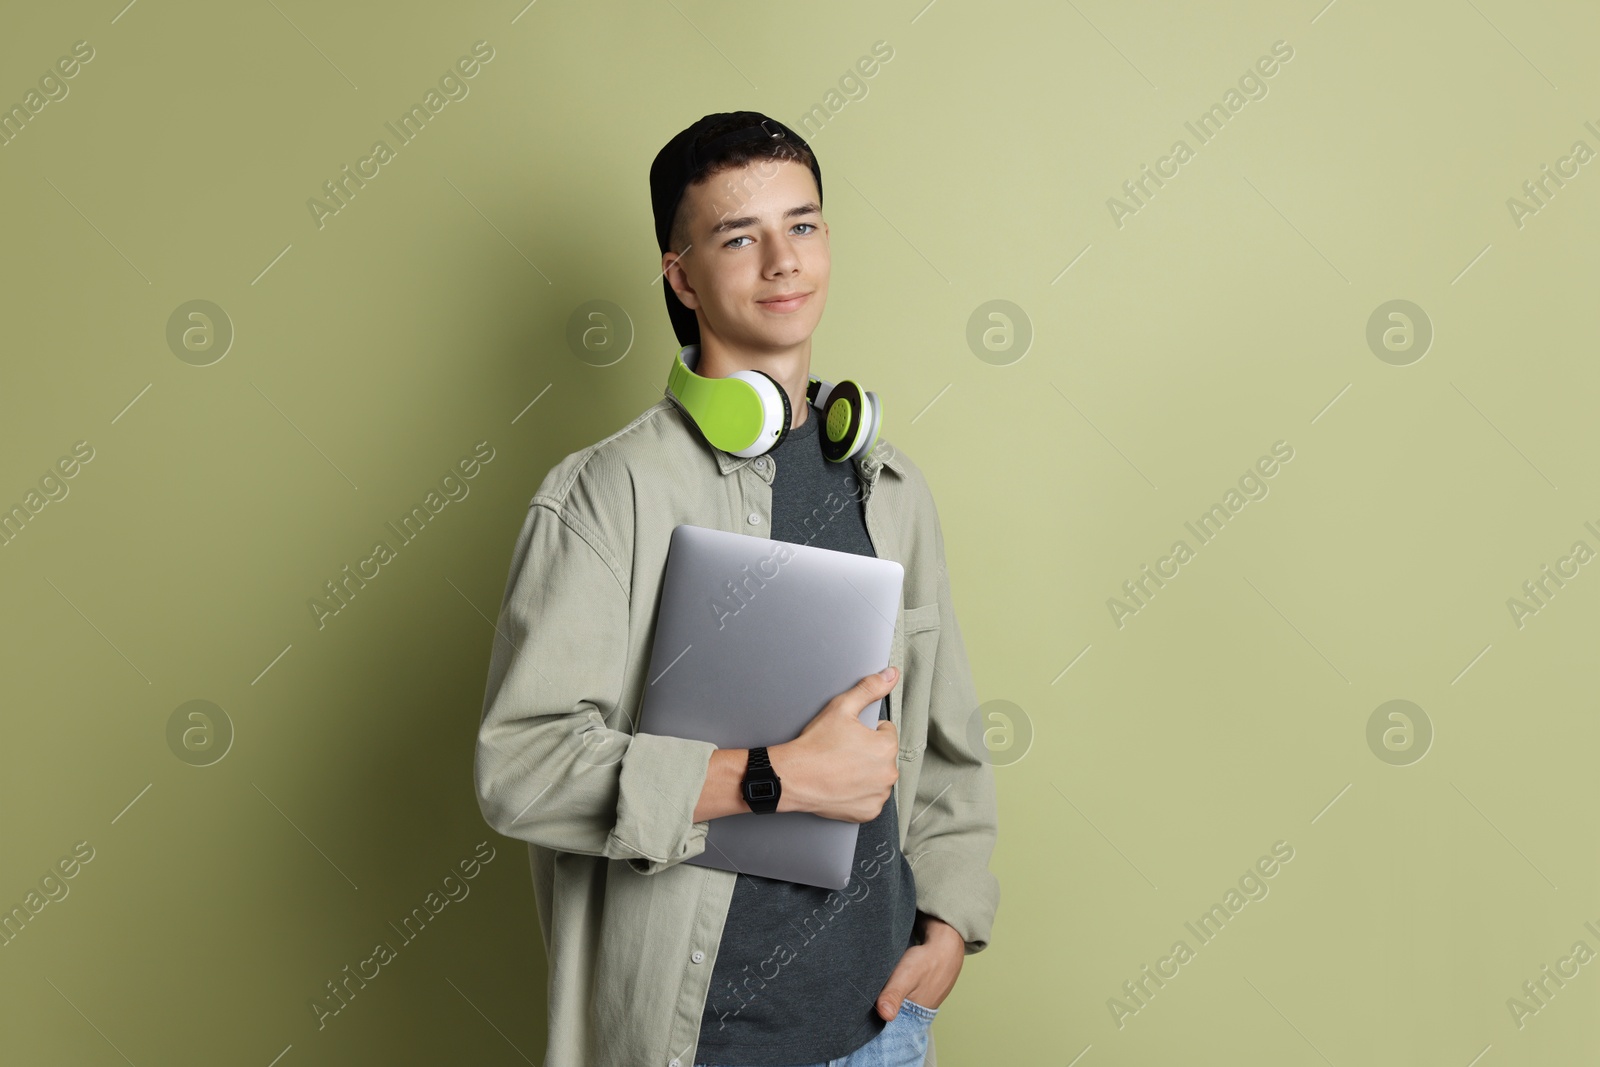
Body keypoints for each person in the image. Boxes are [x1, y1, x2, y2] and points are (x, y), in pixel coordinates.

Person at [474, 111, 999, 1067]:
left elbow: (949, 746)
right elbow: (522, 766)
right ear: (679, 274)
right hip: (700, 1045)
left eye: (801, 226)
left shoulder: (891, 487)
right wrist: (775, 775)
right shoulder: (607, 493)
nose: (781, 262)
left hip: (885, 1032)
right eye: (738, 236)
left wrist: (951, 926)